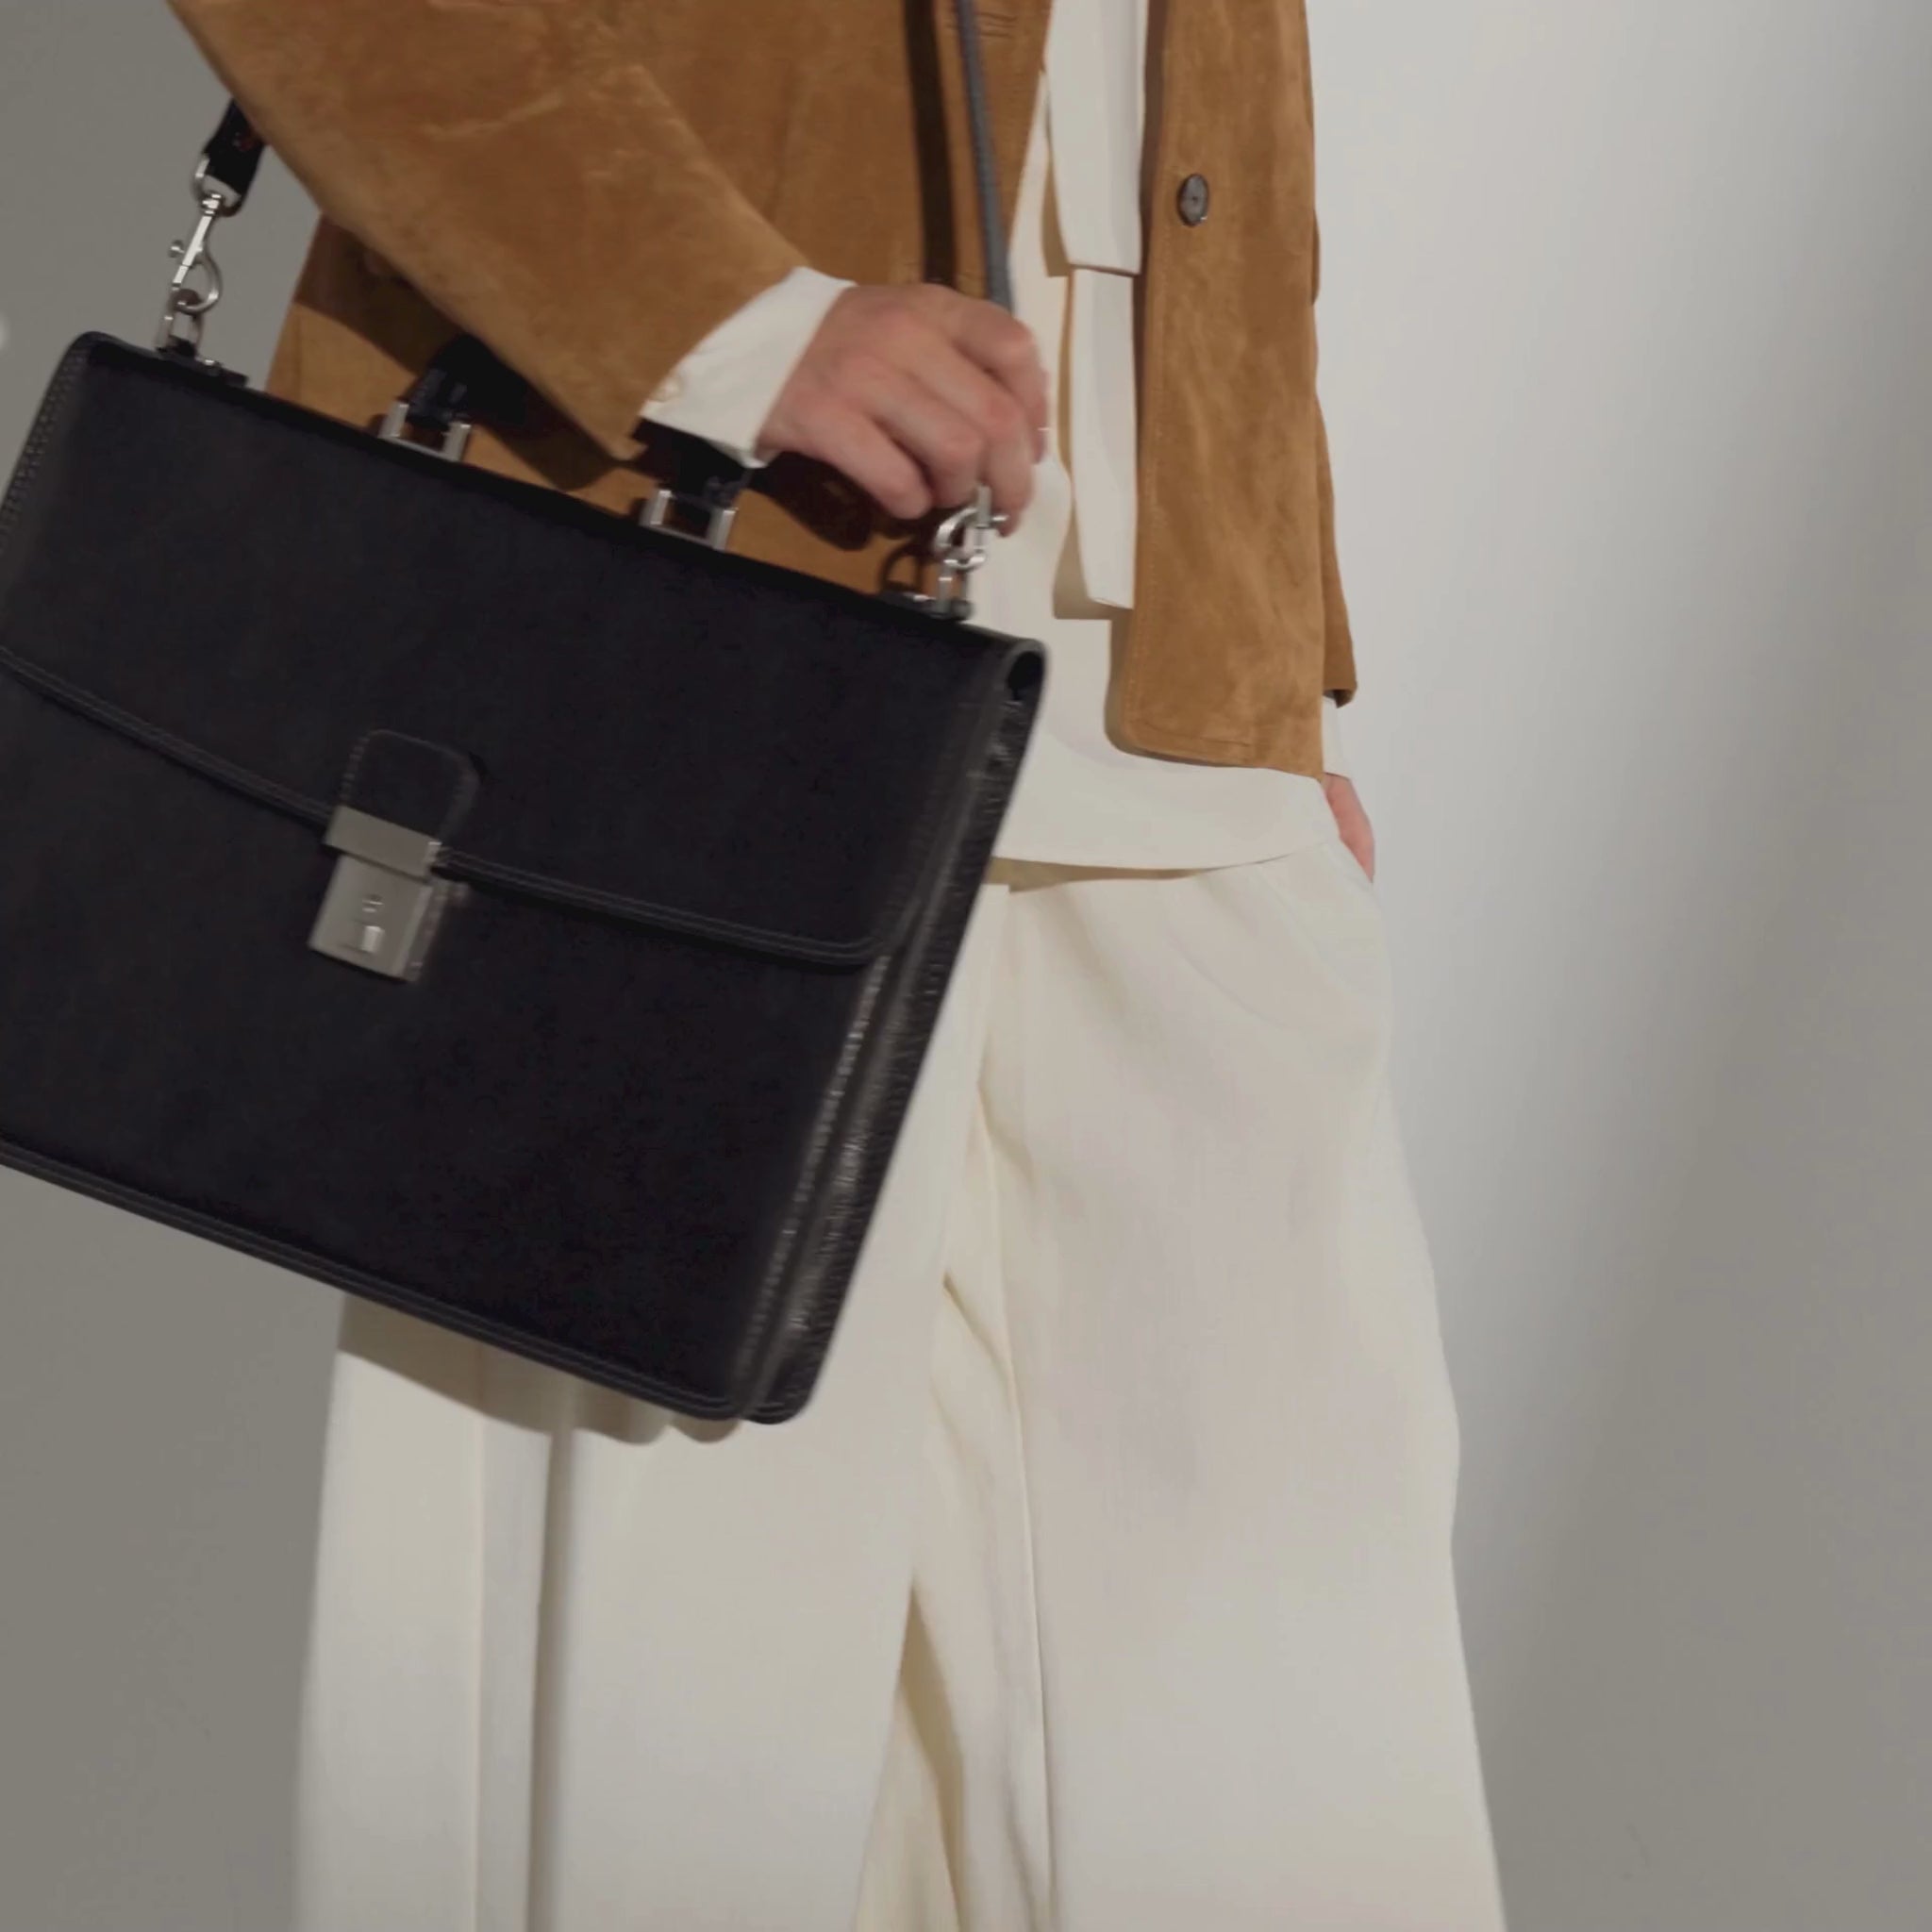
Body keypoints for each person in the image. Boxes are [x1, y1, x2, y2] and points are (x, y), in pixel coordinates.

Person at [165, 1, 1508, 1925]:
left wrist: (1277, 642)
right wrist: (720, 317)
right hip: (684, 587)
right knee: (662, 1678)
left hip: (1170, 682)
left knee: (1281, 1699)